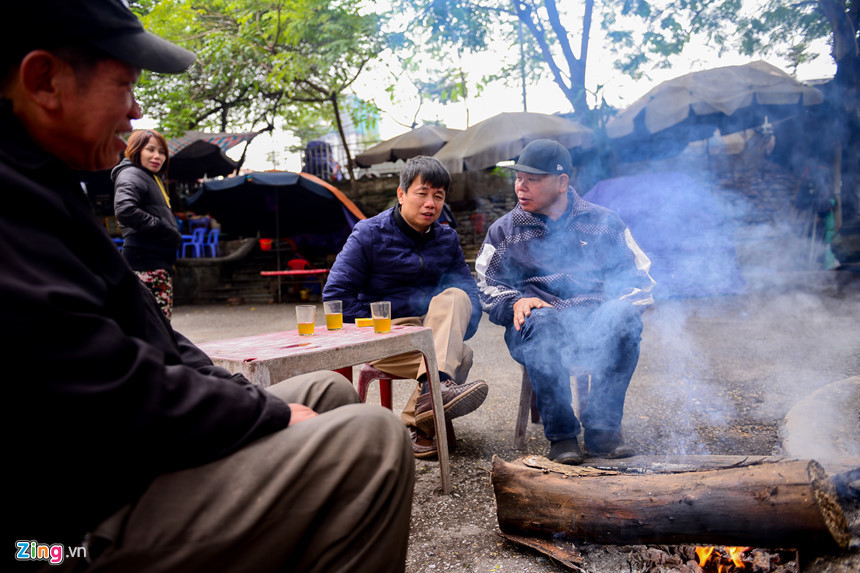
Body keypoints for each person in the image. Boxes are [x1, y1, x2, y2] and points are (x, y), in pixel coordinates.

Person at [1, 2, 413, 572]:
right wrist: (260, 415)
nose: (137, 110)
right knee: (373, 439)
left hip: (122, 458)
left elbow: (156, 337)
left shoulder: (49, 181)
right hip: (60, 533)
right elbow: (111, 389)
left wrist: (241, 397)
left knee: (326, 392)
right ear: (43, 80)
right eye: (124, 85)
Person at [475, 139, 655, 465]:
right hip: (535, 331)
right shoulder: (505, 231)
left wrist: (614, 311)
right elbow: (485, 284)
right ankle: (562, 437)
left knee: (623, 319)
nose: (521, 186)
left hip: (594, 329)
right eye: (518, 178)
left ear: (561, 183)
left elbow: (640, 280)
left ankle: (603, 432)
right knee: (544, 322)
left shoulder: (604, 223)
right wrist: (515, 301)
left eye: (533, 179)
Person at [323, 156, 488, 458]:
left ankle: (418, 422)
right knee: (461, 356)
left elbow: (471, 298)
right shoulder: (369, 234)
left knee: (455, 297)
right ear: (401, 194)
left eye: (438, 196)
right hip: (385, 333)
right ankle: (426, 415)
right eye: (422, 193)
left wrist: (451, 327)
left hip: (428, 330)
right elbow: (335, 297)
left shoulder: (446, 239)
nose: (430, 203)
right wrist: (378, 323)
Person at [113, 129, 182, 319]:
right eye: (150, 150)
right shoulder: (132, 174)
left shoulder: (150, 177)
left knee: (157, 327)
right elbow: (125, 209)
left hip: (155, 262)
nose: (157, 156)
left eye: (161, 152)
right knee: (153, 328)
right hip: (144, 263)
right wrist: (161, 228)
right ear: (136, 150)